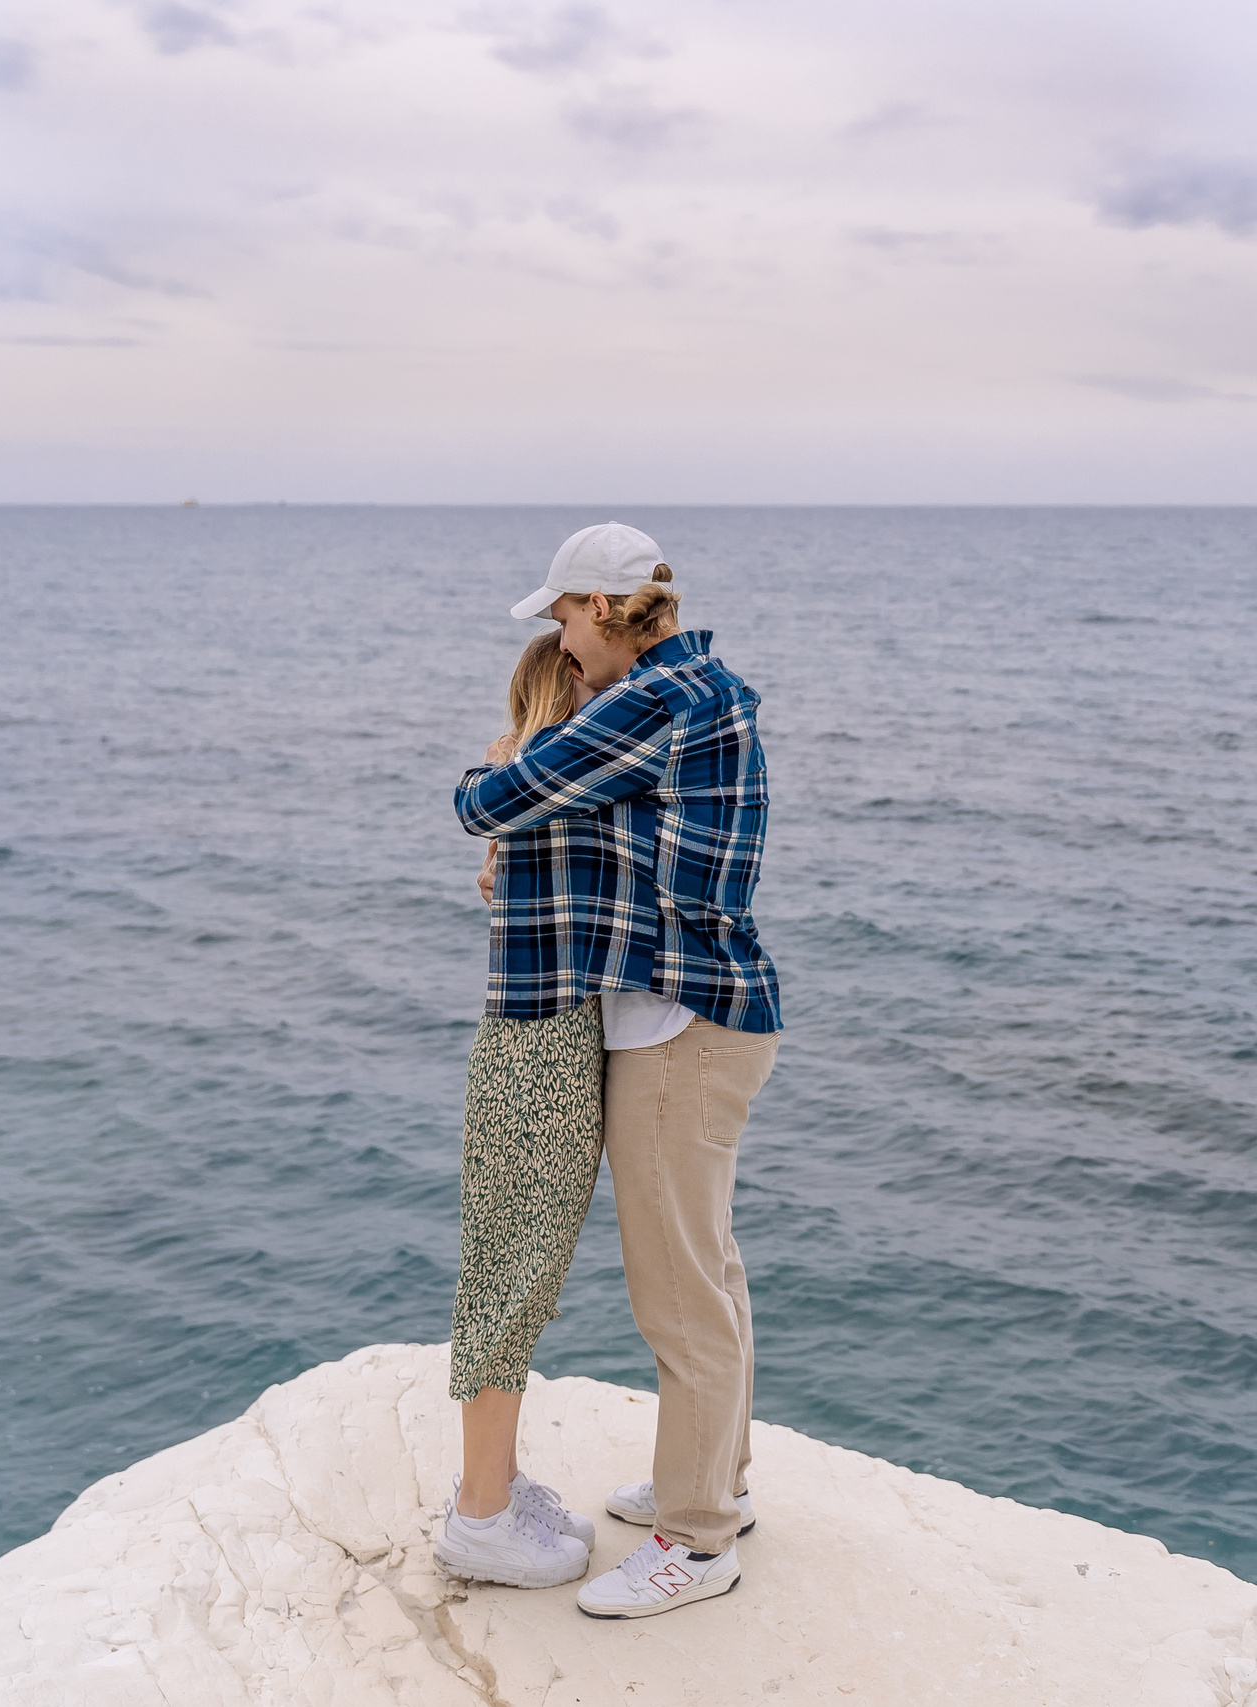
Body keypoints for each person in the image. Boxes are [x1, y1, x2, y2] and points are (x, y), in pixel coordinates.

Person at [458, 521, 783, 1620]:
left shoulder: (651, 701)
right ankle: (716, 1478)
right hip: (715, 1014)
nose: (560, 641)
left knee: (678, 1291)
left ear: (601, 607)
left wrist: (494, 771)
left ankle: (696, 1541)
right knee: (711, 1265)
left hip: (677, 1028)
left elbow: (485, 801)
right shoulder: (703, 689)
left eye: (562, 616)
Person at [430, 632, 605, 1591]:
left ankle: (492, 1485)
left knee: (517, 1278)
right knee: (510, 1280)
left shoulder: (528, 788)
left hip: (533, 1048)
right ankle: (480, 1515)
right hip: (541, 1055)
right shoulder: (554, 789)